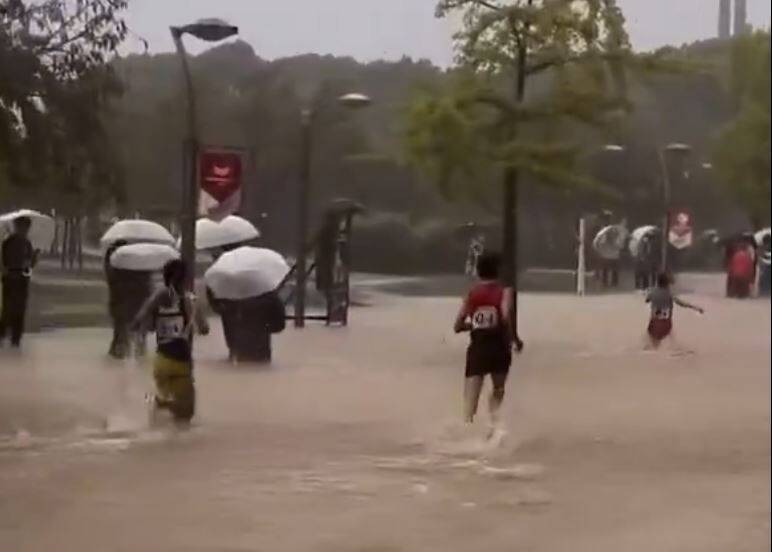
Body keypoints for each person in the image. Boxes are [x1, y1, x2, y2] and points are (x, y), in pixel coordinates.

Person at [131, 259, 208, 423]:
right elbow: (205, 329)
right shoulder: (191, 300)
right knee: (186, 414)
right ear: (185, 278)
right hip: (182, 363)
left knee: (168, 401)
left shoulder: (159, 298)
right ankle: (163, 405)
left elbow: (140, 319)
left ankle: (159, 403)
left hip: (161, 362)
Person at [453, 252, 514, 429]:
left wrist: (473, 326)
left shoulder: (472, 294)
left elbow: (457, 326)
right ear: (498, 271)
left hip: (478, 347)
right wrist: (514, 339)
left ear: (479, 272)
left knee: (471, 399)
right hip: (499, 346)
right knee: (498, 389)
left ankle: (466, 429)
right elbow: (505, 316)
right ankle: (493, 427)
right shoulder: (504, 292)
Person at [104, 240, 153, 359]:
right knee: (131, 335)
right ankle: (132, 355)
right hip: (128, 302)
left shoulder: (114, 258)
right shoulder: (138, 257)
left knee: (123, 335)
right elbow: (147, 281)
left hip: (124, 302)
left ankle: (121, 355)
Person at [0, 216, 39, 347]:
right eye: (21, 227)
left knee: (20, 308)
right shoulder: (8, 242)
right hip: (10, 277)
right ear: (16, 227)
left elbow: (30, 264)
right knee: (8, 307)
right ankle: (2, 332)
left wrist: (34, 258)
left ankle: (16, 337)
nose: (24, 230)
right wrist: (4, 269)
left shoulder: (27, 243)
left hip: (22, 278)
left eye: (26, 228)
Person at [645, 273, 703, 348]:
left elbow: (647, 300)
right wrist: (696, 308)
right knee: (670, 345)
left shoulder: (653, 292)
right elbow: (682, 304)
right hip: (666, 325)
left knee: (653, 347)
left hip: (653, 324)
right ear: (667, 283)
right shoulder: (670, 294)